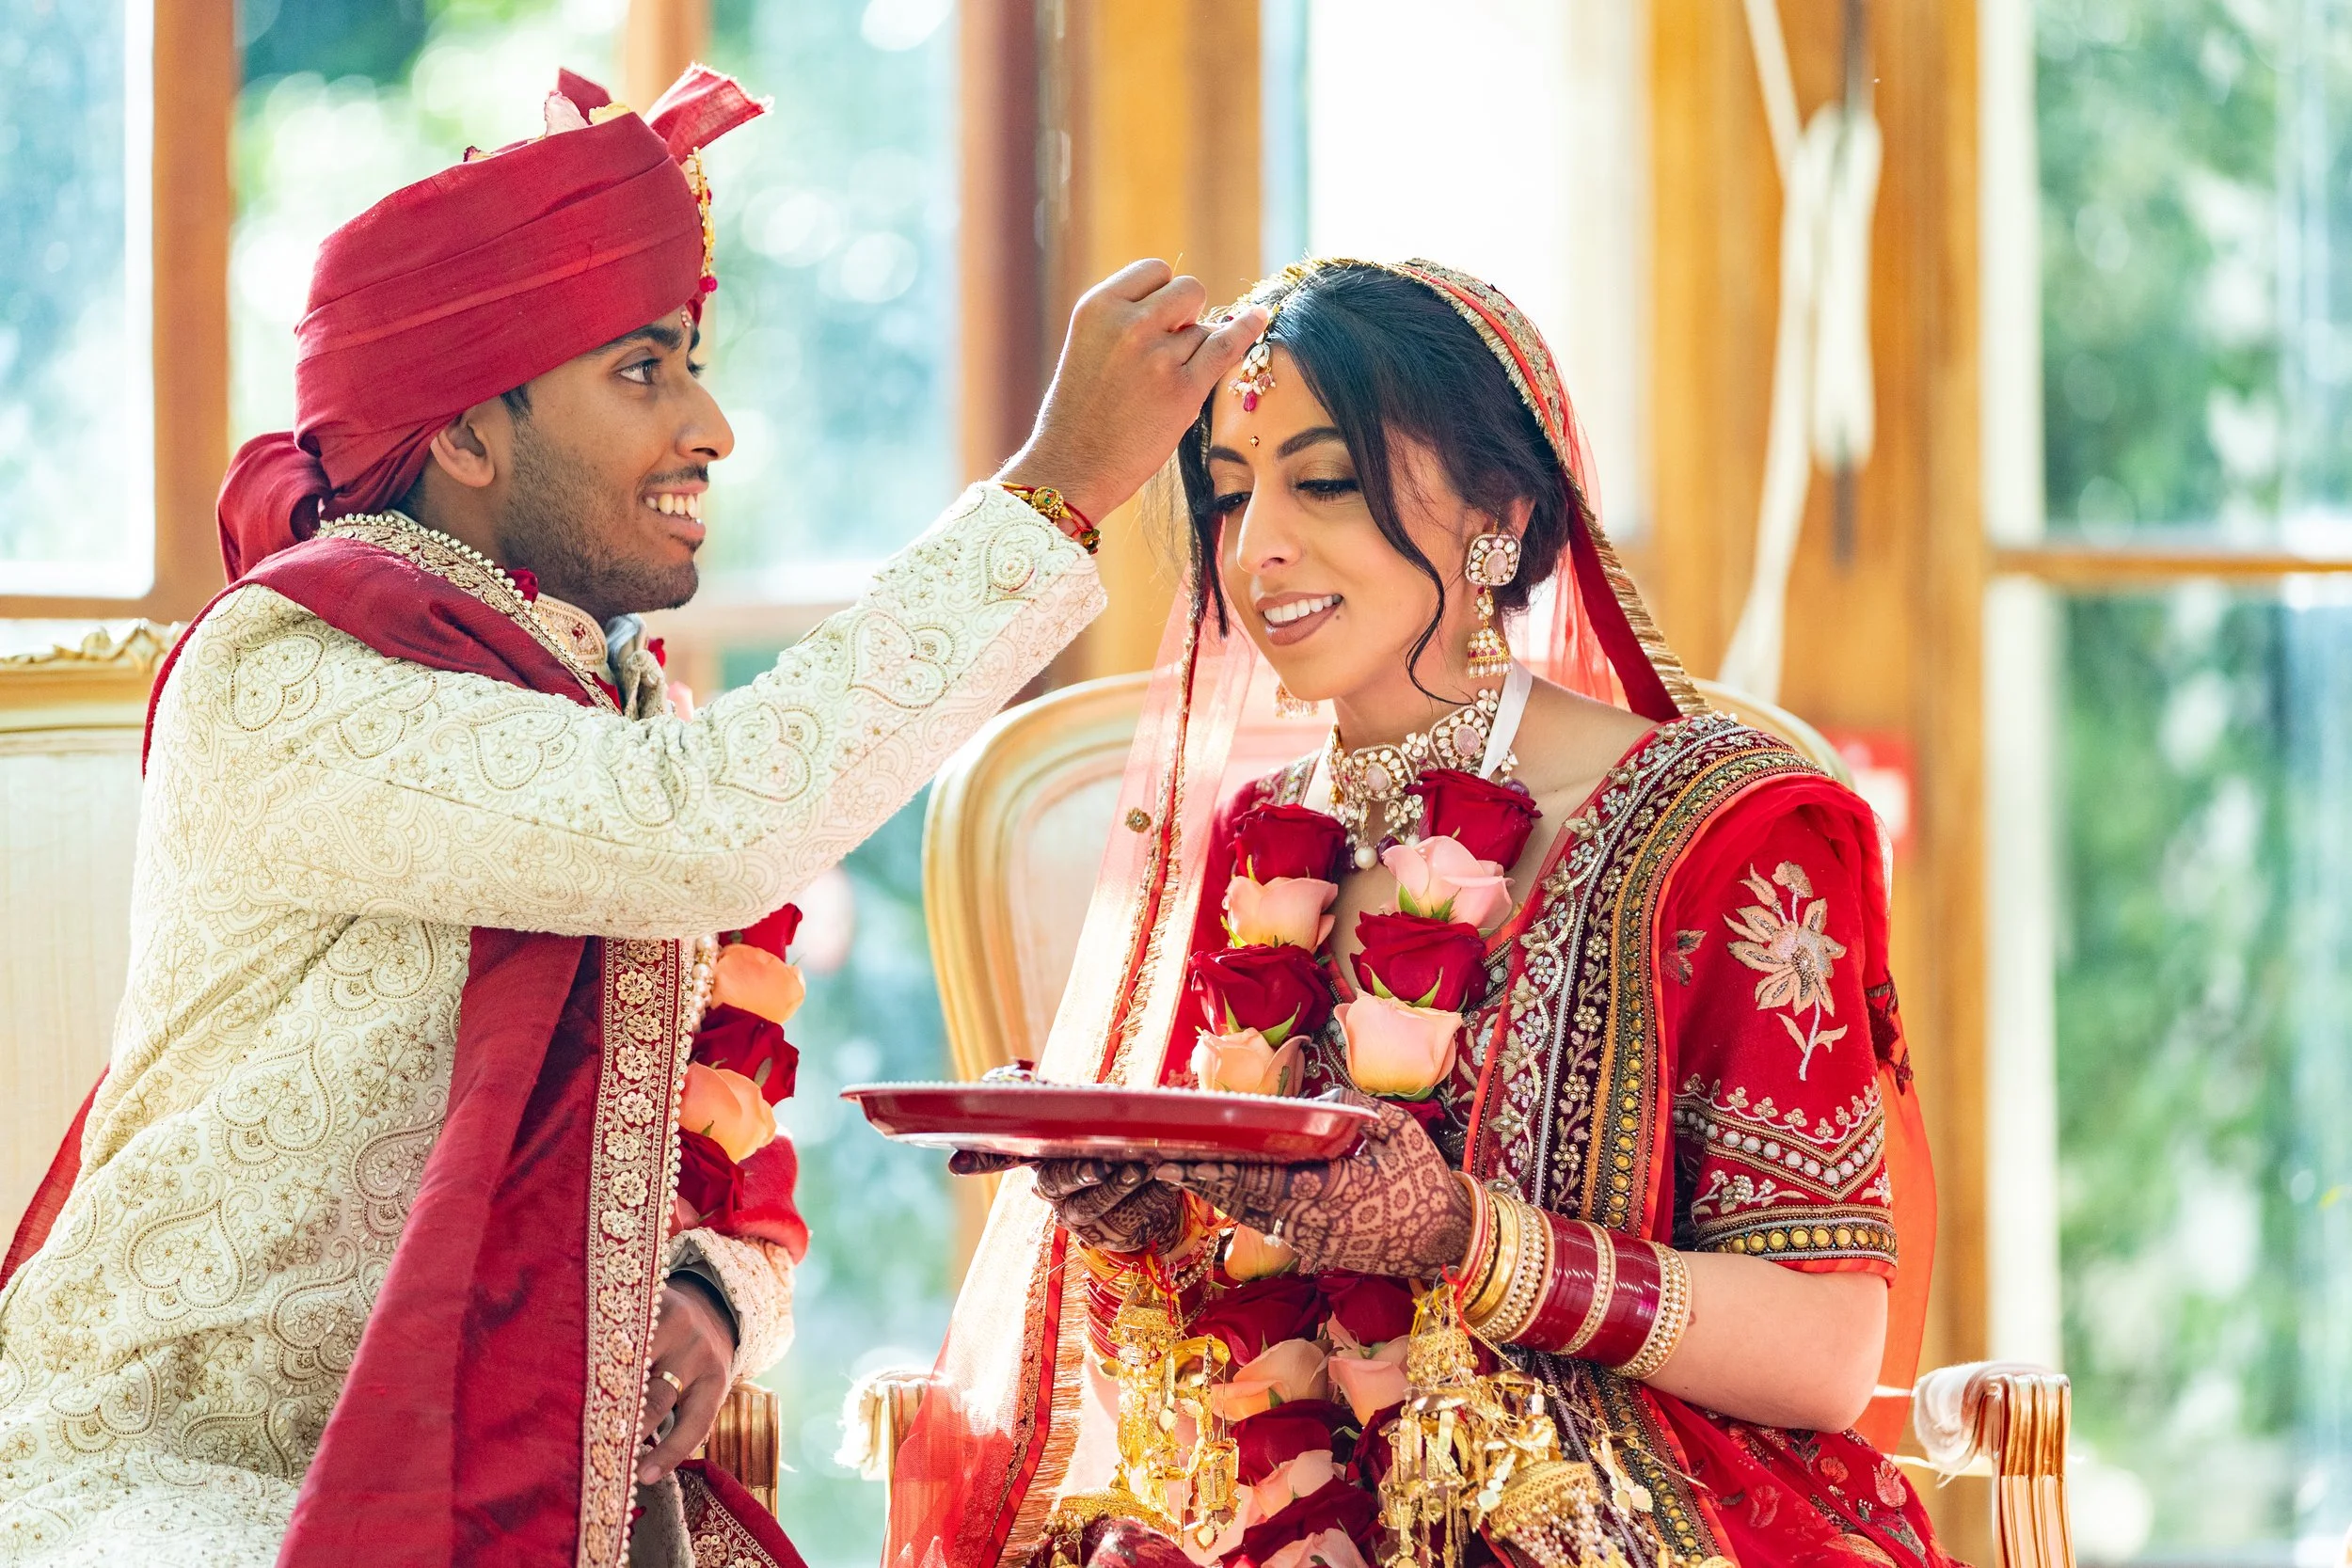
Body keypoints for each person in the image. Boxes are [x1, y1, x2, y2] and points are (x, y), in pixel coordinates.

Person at [0, 66, 1265, 1568]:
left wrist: (711, 1295)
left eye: (695, 365)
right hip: (180, 1474)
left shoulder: (608, 699)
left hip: (497, 1461)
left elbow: (708, 1132)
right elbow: (707, 823)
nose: (714, 427)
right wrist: (1054, 491)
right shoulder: (291, 674)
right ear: (470, 434)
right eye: (644, 372)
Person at [891, 260, 1949, 1568]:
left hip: (1639, 1519)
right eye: (1229, 492)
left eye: (1321, 481)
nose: (1256, 545)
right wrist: (1143, 1218)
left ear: (1500, 510)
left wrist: (1467, 1236)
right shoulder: (1260, 837)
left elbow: (1832, 1353)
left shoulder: (1729, 832)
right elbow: (1246, 1318)